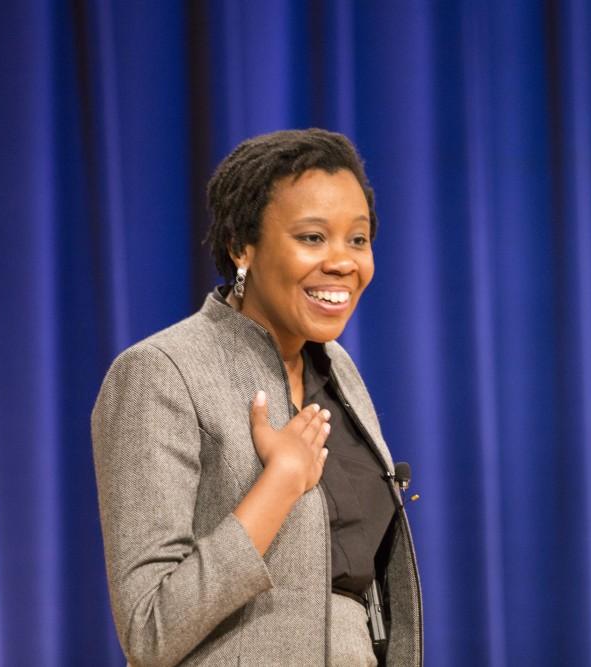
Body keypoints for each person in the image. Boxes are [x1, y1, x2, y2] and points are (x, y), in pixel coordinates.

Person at [91, 129, 422, 666]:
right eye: (312, 237)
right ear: (241, 246)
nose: (342, 262)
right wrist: (279, 486)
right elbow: (148, 630)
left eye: (357, 239)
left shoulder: (339, 372)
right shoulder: (160, 373)